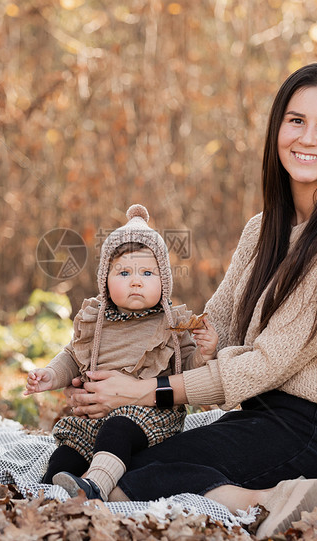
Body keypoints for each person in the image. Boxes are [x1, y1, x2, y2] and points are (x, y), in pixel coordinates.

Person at [64, 63, 317, 536]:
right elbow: (214, 322)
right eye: (296, 120)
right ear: (277, 128)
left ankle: (274, 499)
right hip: (257, 416)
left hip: (315, 432)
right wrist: (119, 370)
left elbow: (266, 363)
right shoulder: (263, 228)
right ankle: (262, 494)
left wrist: (143, 392)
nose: (308, 138)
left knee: (135, 478)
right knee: (120, 455)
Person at [25, 204, 218, 501]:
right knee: (69, 450)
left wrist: (204, 353)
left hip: (148, 416)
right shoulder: (95, 320)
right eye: (124, 272)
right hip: (93, 418)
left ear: (164, 280)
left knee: (118, 429)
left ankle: (96, 486)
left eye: (148, 273)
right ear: (105, 280)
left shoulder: (171, 324)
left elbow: (188, 370)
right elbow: (72, 356)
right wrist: (51, 375)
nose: (136, 281)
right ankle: (51, 492)